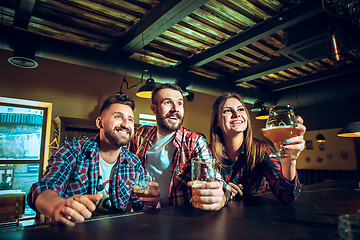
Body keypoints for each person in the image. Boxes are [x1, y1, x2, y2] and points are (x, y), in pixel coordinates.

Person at [28, 95, 154, 226]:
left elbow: (141, 207)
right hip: (70, 232)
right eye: (118, 116)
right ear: (100, 122)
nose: (125, 124)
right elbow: (43, 189)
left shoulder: (134, 163)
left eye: (130, 119)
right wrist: (57, 206)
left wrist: (150, 202)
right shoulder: (72, 151)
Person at [130, 83, 231, 210]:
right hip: (146, 214)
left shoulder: (194, 141)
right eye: (168, 103)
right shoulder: (141, 134)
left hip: (180, 218)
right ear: (154, 109)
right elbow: (128, 171)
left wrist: (222, 195)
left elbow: (215, 178)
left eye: (179, 103)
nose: (175, 109)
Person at [209, 93, 306, 203]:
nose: (236, 114)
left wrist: (289, 161)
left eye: (241, 109)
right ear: (216, 122)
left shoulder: (261, 149)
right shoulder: (207, 153)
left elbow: (288, 196)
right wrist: (222, 192)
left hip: (257, 217)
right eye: (227, 111)